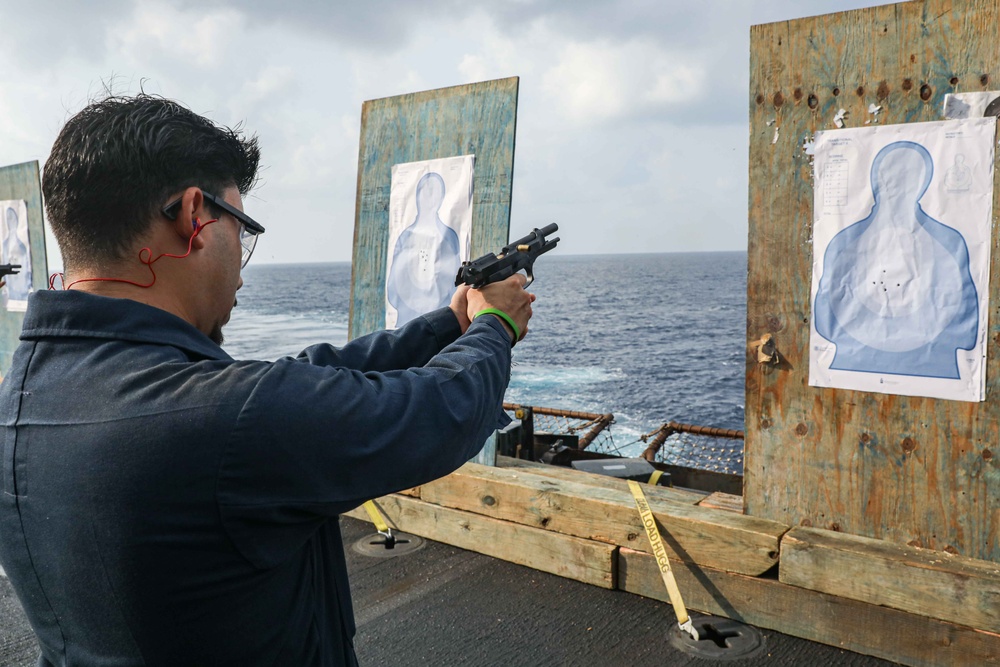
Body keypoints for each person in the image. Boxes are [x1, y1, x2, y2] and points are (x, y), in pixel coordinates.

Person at [0, 94, 534, 666]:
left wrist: (446, 324)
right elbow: (436, 410)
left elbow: (302, 377)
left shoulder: (21, 398)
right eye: (241, 226)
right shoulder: (224, 419)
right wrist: (494, 325)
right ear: (192, 217)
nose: (241, 262)